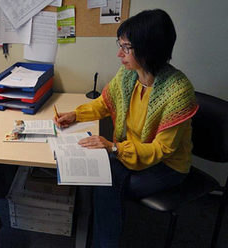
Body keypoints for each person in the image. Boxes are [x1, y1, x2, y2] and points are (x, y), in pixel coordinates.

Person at [54, 9, 198, 248]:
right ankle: (96, 235)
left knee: (104, 184)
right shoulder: (129, 74)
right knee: (99, 175)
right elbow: (105, 102)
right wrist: (75, 114)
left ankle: (103, 242)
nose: (120, 54)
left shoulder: (179, 91)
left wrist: (114, 148)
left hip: (166, 166)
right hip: (128, 153)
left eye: (127, 47)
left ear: (149, 47)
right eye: (119, 45)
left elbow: (162, 149)